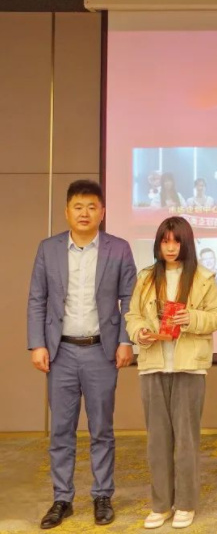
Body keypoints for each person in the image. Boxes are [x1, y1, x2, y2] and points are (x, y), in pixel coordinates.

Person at [27, 180, 137, 529]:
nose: (85, 213)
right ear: (67, 212)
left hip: (101, 351)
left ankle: (102, 495)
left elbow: (130, 298)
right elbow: (37, 298)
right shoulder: (48, 249)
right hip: (60, 352)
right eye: (78, 206)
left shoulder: (118, 248)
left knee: (102, 429)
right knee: (61, 430)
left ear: (102, 212)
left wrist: (126, 340)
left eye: (92, 207)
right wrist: (37, 343)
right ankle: (62, 498)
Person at [124, 216, 217, 529]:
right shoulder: (145, 277)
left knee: (185, 439)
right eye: (165, 241)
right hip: (153, 364)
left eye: (176, 241)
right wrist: (139, 333)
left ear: (186, 243)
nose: (170, 247)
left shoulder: (203, 277)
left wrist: (191, 318)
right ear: (158, 244)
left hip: (189, 366)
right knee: (157, 440)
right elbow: (132, 315)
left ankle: (185, 503)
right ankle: (160, 505)